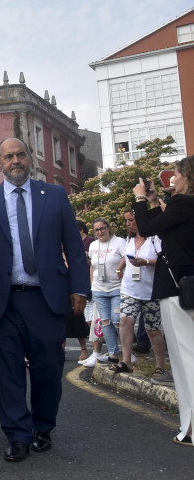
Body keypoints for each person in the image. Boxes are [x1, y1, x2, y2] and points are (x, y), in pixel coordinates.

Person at [0, 138, 88, 463]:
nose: (15, 160)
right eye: (8, 156)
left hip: (46, 300)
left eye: (20, 155)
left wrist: (80, 287)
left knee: (49, 367)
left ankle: (42, 428)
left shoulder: (55, 196)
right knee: (7, 372)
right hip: (0, 301)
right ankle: (17, 435)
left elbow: (74, 246)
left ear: (29, 160)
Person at [132, 157, 194, 446]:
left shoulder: (184, 204)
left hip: (177, 288)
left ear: (188, 178)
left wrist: (141, 198)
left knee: (185, 359)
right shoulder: (183, 207)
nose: (173, 180)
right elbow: (163, 225)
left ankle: (191, 429)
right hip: (185, 287)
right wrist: (156, 202)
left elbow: (146, 227)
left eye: (177, 175)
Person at [111, 209, 168, 376]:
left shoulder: (154, 238)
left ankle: (160, 366)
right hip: (129, 288)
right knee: (125, 321)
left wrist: (146, 262)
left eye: (131, 220)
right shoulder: (129, 238)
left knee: (152, 329)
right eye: (126, 220)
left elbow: (163, 260)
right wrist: (120, 270)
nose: (128, 223)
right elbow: (126, 257)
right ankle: (126, 361)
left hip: (151, 291)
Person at [85, 218, 126, 364]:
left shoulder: (119, 242)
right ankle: (113, 353)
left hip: (116, 287)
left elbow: (127, 257)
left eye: (102, 228)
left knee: (117, 320)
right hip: (99, 289)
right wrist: (92, 284)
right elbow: (92, 266)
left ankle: (128, 352)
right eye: (96, 230)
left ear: (108, 228)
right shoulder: (93, 245)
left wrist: (119, 268)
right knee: (105, 322)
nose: (100, 232)